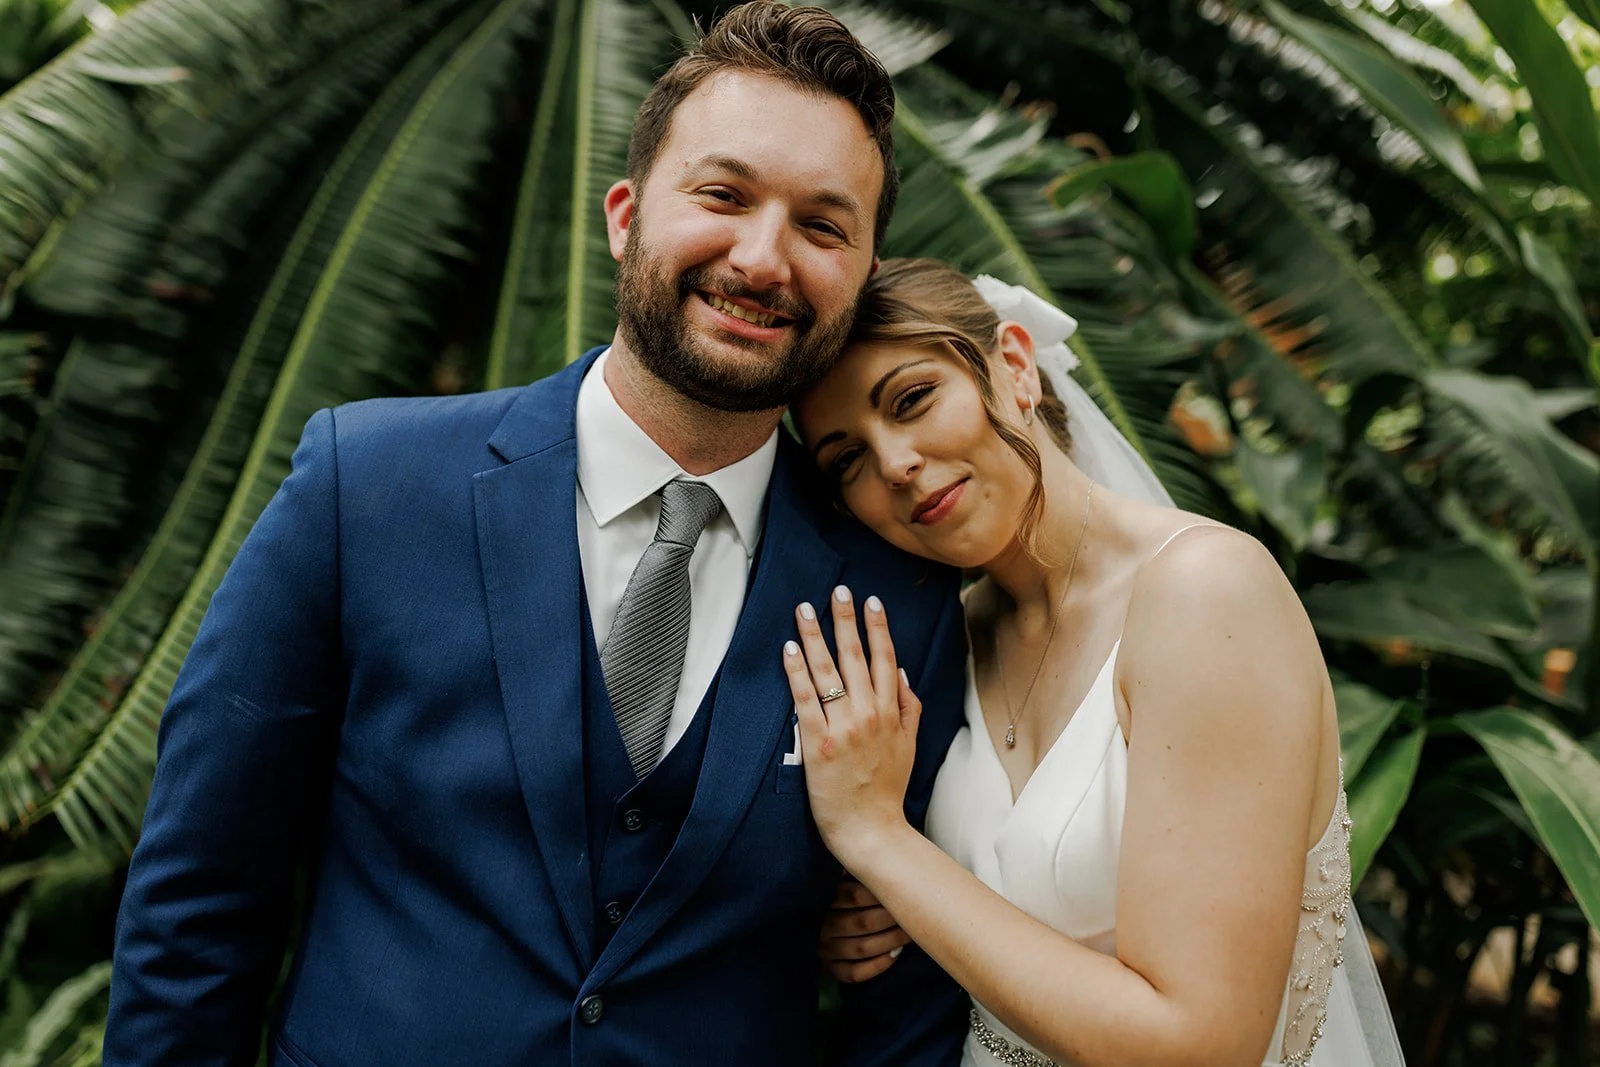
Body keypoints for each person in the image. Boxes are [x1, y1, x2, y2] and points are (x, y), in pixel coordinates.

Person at [103, 10, 973, 1066]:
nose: (763, 255)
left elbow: (909, 1003)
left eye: (822, 226)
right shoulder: (365, 488)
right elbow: (200, 891)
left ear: (864, 266)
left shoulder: (901, 597)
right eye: (723, 195)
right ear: (623, 215)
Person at [783, 259, 1406, 1066]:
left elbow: (1200, 1046)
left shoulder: (1205, 595)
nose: (895, 462)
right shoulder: (952, 639)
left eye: (912, 399)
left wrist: (879, 841)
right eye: (847, 460)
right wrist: (879, 916)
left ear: (1012, 365)